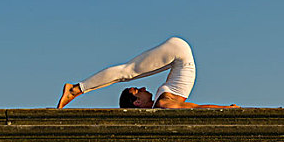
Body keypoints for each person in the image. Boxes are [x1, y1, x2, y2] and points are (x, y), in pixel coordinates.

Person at [57, 37, 239, 109]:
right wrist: (226, 109)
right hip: (179, 55)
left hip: (178, 53)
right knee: (126, 72)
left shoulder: (162, 103)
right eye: (138, 91)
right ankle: (76, 89)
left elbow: (195, 108)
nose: (143, 88)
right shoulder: (162, 104)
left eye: (138, 89)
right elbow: (195, 108)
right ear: (137, 103)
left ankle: (75, 89)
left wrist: (227, 109)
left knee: (127, 72)